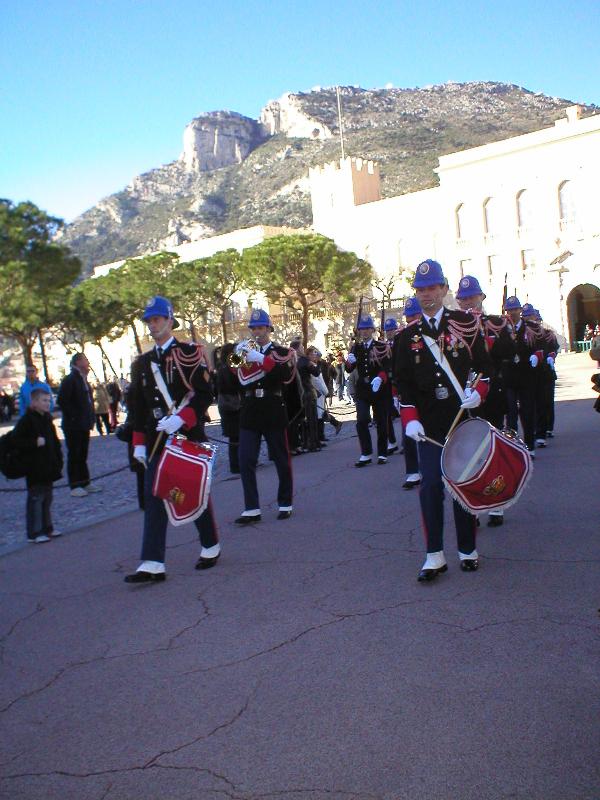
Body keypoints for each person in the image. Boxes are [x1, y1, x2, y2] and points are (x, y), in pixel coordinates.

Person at [394, 259, 493, 582]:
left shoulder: (465, 324)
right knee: (431, 486)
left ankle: (467, 549)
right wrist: (410, 419)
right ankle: (434, 554)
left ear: (444, 289)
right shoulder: (406, 337)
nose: (426, 294)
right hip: (428, 426)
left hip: (461, 419)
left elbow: (485, 368)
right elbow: (404, 384)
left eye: (432, 287)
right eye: (420, 289)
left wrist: (478, 392)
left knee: (461, 484)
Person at [124, 296, 221, 584]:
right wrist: (138, 443)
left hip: (184, 434)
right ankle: (153, 562)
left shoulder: (189, 353)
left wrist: (182, 418)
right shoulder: (143, 363)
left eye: (157, 319)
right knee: (155, 495)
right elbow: (138, 408)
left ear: (169, 320)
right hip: (156, 438)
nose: (152, 325)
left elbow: (204, 394)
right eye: (149, 321)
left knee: (191, 492)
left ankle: (210, 544)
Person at [455, 275, 516, 527]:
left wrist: (491, 340)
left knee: (493, 449)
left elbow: (509, 352)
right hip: (463, 396)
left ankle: (497, 502)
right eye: (464, 299)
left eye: (473, 297)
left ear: (481, 297)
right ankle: (474, 505)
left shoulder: (496, 323)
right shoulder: (453, 327)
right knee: (469, 452)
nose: (469, 302)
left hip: (491, 394)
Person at [232, 309, 295, 524]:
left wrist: (261, 359)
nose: (257, 332)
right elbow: (229, 376)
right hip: (250, 409)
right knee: (245, 459)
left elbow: (284, 376)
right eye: (254, 328)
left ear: (268, 328)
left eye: (260, 328)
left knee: (280, 458)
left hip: (272, 408)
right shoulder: (245, 350)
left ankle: (285, 502)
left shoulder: (281, 352)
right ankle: (251, 508)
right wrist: (237, 355)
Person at [11, 387, 63, 543]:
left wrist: (58, 458)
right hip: (34, 467)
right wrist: (34, 442)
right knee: (36, 499)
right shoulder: (26, 420)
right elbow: (16, 441)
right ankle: (35, 532)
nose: (47, 403)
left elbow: (54, 441)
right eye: (44, 400)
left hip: (48, 465)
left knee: (47, 498)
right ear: (34, 402)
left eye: (48, 400)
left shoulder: (47, 419)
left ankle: (48, 527)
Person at [346, 314, 392, 467]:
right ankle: (366, 453)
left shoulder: (381, 346)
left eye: (367, 328)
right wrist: (349, 362)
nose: (364, 331)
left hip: (379, 389)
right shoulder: (356, 347)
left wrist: (380, 378)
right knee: (361, 420)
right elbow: (349, 369)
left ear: (372, 330)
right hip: (363, 389)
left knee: (381, 421)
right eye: (362, 329)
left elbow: (388, 366)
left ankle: (382, 453)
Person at [57, 353, 100, 497]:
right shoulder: (70, 379)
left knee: (82, 455)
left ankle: (85, 482)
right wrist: (74, 417)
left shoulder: (83, 379)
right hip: (73, 425)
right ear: (77, 362)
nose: (88, 362)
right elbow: (62, 401)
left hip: (83, 424)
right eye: (85, 359)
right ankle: (74, 485)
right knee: (74, 455)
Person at [503, 297, 542, 456]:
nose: (512, 313)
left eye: (515, 309)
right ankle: (513, 446)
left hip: (526, 376)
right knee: (510, 412)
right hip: (509, 376)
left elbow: (540, 346)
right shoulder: (501, 328)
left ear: (520, 310)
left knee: (527, 411)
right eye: (509, 310)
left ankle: (530, 445)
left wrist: (536, 356)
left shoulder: (530, 328)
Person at [216, 343, 242, 474]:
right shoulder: (225, 369)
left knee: (238, 436)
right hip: (230, 405)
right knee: (234, 437)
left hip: (232, 404)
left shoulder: (227, 367)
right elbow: (231, 386)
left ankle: (240, 463)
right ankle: (235, 465)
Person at [383, 318, 401, 455]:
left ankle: (408, 441)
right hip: (387, 384)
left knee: (405, 412)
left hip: (400, 381)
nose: (389, 332)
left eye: (391, 330)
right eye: (387, 330)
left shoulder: (401, 342)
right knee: (387, 414)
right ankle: (392, 441)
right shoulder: (382, 346)